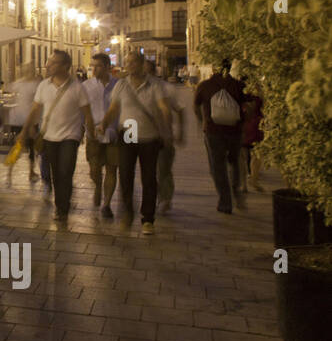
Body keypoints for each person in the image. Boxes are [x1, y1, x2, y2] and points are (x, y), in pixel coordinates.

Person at [99, 53, 171, 235]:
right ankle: (128, 212)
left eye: (133, 62)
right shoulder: (122, 85)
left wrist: (166, 126)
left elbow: (163, 106)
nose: (129, 65)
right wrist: (104, 124)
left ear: (142, 64)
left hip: (149, 135)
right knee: (125, 175)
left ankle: (148, 219)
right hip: (129, 131)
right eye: (127, 62)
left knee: (148, 178)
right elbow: (114, 108)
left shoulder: (154, 84)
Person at [22, 50, 95, 221]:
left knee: (66, 171)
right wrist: (25, 130)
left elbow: (88, 113)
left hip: (70, 136)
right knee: (56, 173)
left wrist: (92, 137)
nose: (48, 65)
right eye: (49, 61)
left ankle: (63, 207)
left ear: (65, 66)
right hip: (49, 136)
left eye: (53, 62)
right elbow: (35, 109)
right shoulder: (43, 86)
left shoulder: (78, 87)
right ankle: (60, 204)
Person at [194, 58, 245, 214]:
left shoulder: (205, 85)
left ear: (214, 68)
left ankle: (225, 201)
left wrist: (202, 121)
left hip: (213, 131)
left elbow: (195, 105)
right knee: (234, 163)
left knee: (217, 167)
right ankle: (236, 190)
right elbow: (247, 104)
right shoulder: (238, 85)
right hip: (235, 131)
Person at [83, 53, 121, 216]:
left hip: (114, 134)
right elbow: (81, 110)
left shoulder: (119, 85)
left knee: (112, 169)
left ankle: (106, 204)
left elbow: (127, 110)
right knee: (94, 170)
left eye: (97, 66)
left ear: (107, 67)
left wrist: (131, 138)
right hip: (93, 135)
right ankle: (98, 186)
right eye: (92, 66)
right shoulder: (86, 86)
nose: (94, 69)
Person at [147, 60, 187, 213]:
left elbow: (180, 109)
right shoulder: (137, 89)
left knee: (163, 169)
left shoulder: (167, 89)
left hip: (163, 137)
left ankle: (165, 198)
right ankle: (158, 196)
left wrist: (179, 132)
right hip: (145, 137)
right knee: (150, 170)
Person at [4, 65, 42, 182]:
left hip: (17, 119)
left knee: (18, 146)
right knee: (30, 147)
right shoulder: (35, 85)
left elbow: (7, 90)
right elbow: (38, 104)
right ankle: (30, 172)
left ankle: (10, 172)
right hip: (29, 120)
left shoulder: (19, 83)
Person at [241, 84, 265, 193]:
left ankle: (244, 184)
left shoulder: (240, 94)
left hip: (244, 125)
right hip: (256, 125)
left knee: (243, 155)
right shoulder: (259, 95)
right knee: (256, 154)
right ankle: (253, 178)